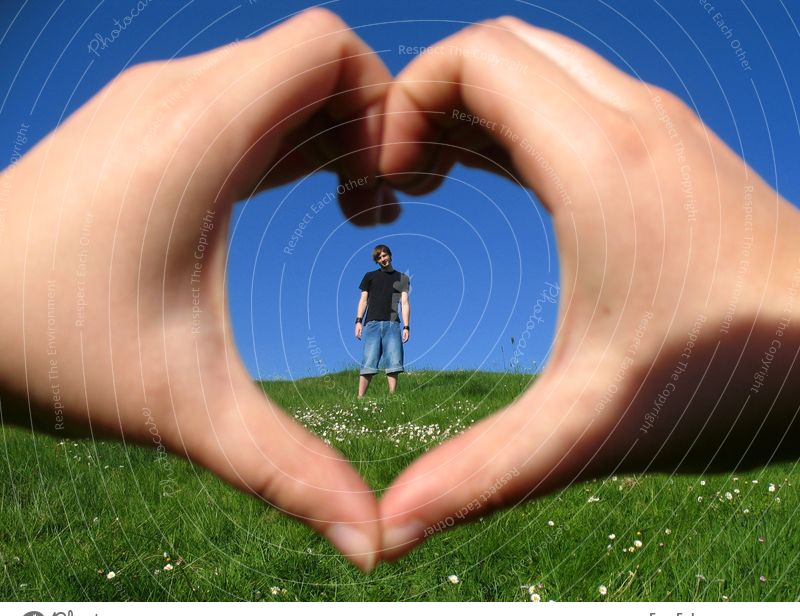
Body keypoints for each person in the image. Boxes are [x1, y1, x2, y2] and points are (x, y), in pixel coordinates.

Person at [0, 9, 798, 573]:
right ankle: (371, 379)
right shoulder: (372, 274)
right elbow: (364, 297)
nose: (380, 251)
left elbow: (401, 299)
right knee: (370, 354)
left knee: (388, 358)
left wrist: (403, 322)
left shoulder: (397, 273)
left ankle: (383, 379)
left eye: (383, 248)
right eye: (379, 248)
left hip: (390, 325)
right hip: (371, 321)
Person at [355, 245, 411, 397]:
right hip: (372, 324)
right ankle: (360, 399)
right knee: (368, 362)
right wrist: (358, 321)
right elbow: (363, 300)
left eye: (385, 255)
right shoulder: (369, 276)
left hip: (392, 324)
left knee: (394, 362)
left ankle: (392, 396)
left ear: (390, 255)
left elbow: (404, 303)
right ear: (376, 261)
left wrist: (406, 327)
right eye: (379, 258)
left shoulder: (402, 278)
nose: (383, 259)